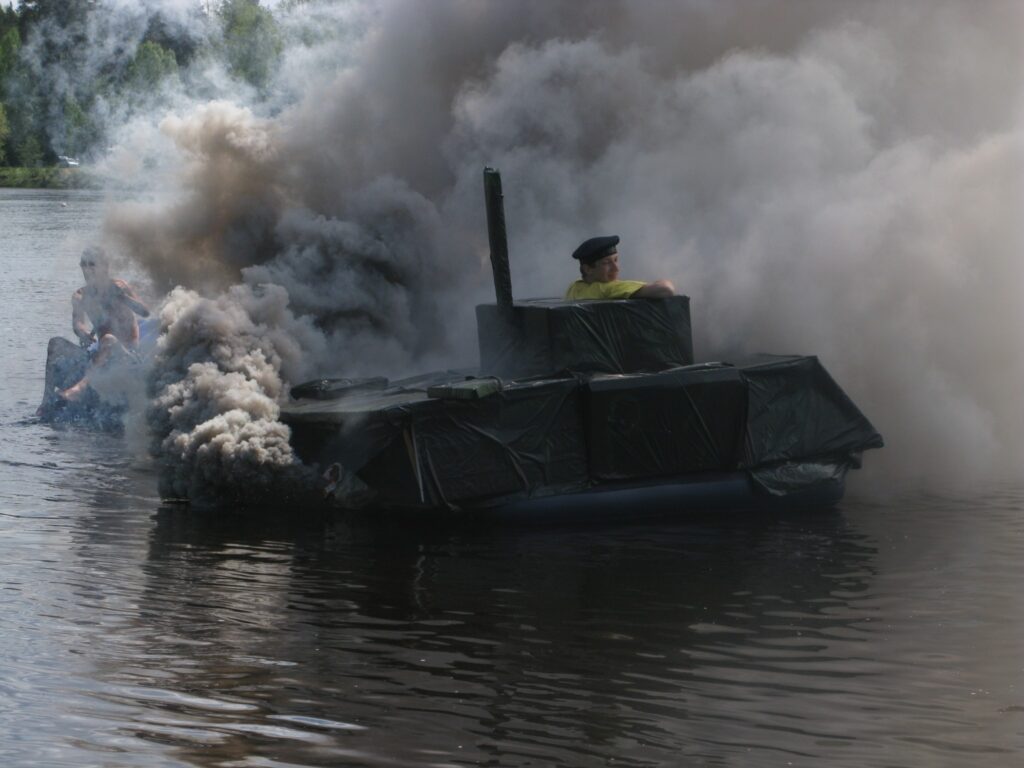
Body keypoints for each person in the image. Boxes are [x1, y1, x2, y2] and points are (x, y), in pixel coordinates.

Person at [58, 245, 150, 402]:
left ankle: (80, 388)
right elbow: (77, 324)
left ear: (104, 267)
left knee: (108, 339)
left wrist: (122, 297)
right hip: (99, 350)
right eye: (83, 265)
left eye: (92, 264)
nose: (87, 270)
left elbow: (144, 312)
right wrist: (85, 333)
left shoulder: (120, 286)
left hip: (127, 353)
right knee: (55, 344)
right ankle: (46, 403)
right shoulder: (80, 295)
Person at [564, 236, 675, 300]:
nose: (616, 268)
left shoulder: (574, 288)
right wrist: (663, 281)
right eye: (606, 263)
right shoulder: (607, 289)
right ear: (588, 269)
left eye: (616, 260)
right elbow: (665, 290)